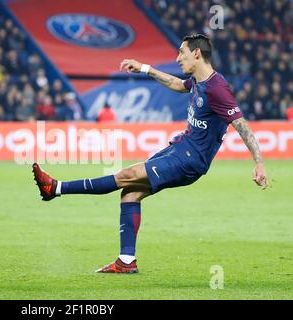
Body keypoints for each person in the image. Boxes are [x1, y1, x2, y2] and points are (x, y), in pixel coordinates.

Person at [32, 34, 268, 273]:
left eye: (181, 53)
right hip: (179, 149)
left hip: (190, 160)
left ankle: (56, 188)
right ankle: (126, 261)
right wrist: (145, 68)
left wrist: (259, 164)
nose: (177, 58)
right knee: (130, 194)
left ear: (197, 54)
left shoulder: (217, 88)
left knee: (127, 174)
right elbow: (177, 85)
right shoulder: (199, 81)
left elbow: (242, 126)